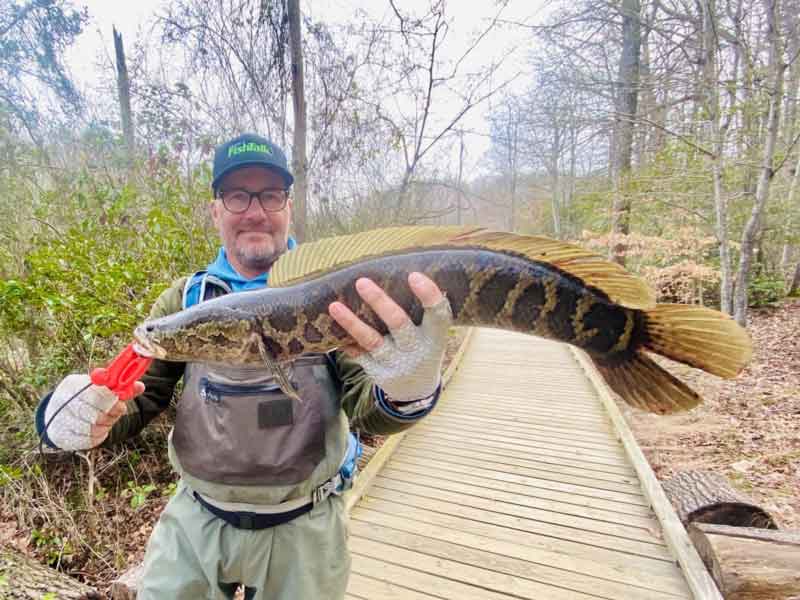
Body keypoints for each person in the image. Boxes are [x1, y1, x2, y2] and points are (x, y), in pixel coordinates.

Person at [35, 133, 452, 599]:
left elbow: (364, 409)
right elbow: (138, 397)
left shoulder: (336, 297)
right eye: (237, 195)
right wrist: (79, 416)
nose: (255, 211)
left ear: (288, 206)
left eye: (270, 194)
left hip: (305, 528)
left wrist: (408, 392)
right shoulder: (183, 301)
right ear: (216, 211)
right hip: (197, 522)